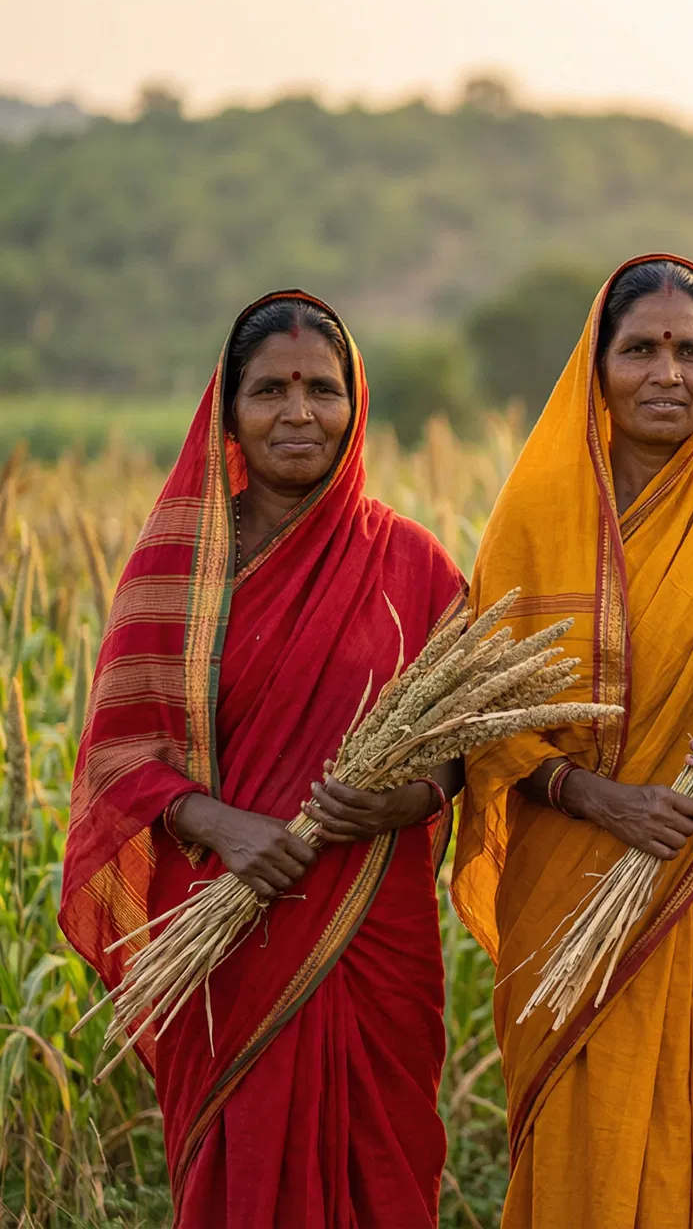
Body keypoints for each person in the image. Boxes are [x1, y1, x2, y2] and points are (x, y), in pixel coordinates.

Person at [60, 292, 467, 1226]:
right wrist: (217, 824)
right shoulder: (177, 568)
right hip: (222, 923)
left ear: (355, 403)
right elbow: (117, 753)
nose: (298, 413)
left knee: (382, 1167)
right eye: (270, 390)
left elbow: (464, 744)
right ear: (228, 411)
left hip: (370, 923)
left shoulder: (413, 564)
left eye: (322, 389)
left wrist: (409, 799)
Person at [452, 255, 693, 1229]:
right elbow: (484, 725)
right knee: (586, 1133)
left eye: (692, 351)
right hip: (572, 883)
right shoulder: (534, 522)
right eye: (640, 348)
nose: (668, 373)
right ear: (596, 365)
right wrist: (601, 800)